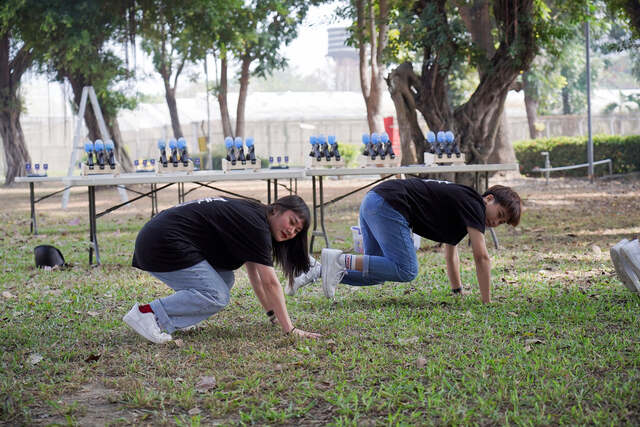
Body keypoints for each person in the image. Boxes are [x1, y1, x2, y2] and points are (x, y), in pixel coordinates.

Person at [123, 195, 322, 343]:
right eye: (292, 222)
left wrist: (272, 315)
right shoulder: (256, 225)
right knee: (217, 295)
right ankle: (147, 313)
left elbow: (256, 277)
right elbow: (270, 283)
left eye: (297, 231)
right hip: (161, 243)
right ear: (276, 209)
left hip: (159, 238)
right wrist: (290, 329)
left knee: (225, 280)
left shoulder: (256, 218)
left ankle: (172, 319)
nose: (291, 231)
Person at [288, 179, 522, 304]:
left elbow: (451, 252)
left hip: (376, 200)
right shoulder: (474, 204)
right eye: (499, 215)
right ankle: (337, 259)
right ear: (489, 199)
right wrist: (486, 301)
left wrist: (457, 289)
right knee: (407, 270)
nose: (496, 223)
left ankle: (315, 269)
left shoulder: (463, 211)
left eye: (502, 223)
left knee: (377, 272)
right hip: (389, 204)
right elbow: (481, 257)